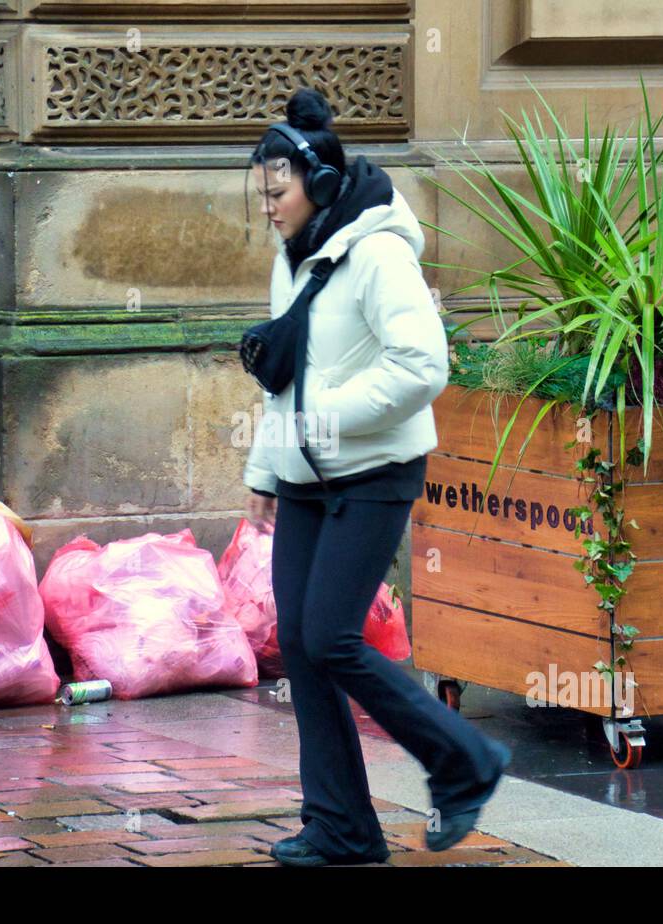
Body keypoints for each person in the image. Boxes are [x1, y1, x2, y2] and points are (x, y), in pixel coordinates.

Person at [240, 87, 512, 867]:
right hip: (304, 476)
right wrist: (268, 463)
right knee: (300, 642)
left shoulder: (380, 252)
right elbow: (283, 375)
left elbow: (424, 366)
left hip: (375, 471)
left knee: (329, 635)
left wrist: (325, 418)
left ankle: (464, 761)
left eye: (278, 192)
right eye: (261, 195)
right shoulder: (292, 254)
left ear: (319, 185)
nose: (268, 209)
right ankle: (343, 829)